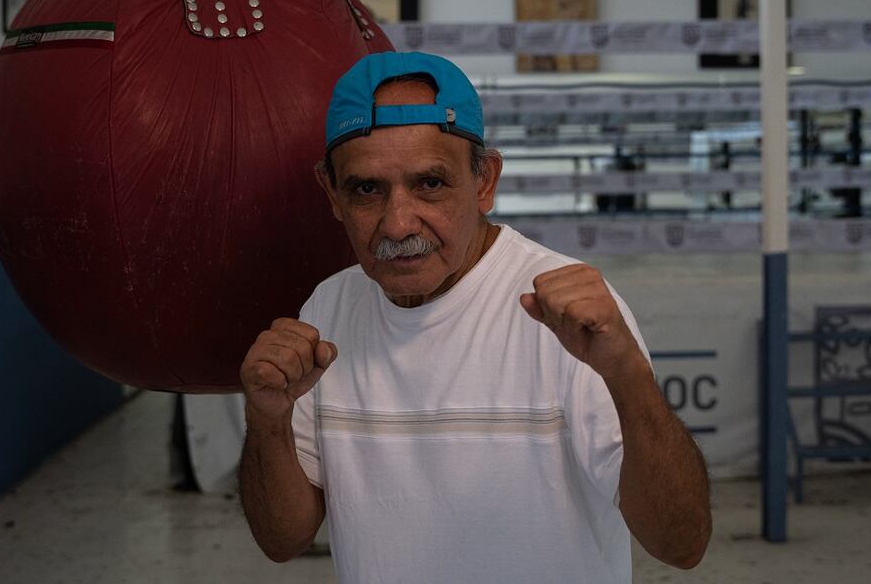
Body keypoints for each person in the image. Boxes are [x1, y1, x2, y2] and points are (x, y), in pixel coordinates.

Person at [238, 52, 711, 582]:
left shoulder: (565, 319)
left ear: (485, 181)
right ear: (332, 194)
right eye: (367, 189)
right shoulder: (328, 309)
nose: (397, 224)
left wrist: (629, 379)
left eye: (429, 184)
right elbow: (282, 539)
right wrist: (267, 420)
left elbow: (682, 543)